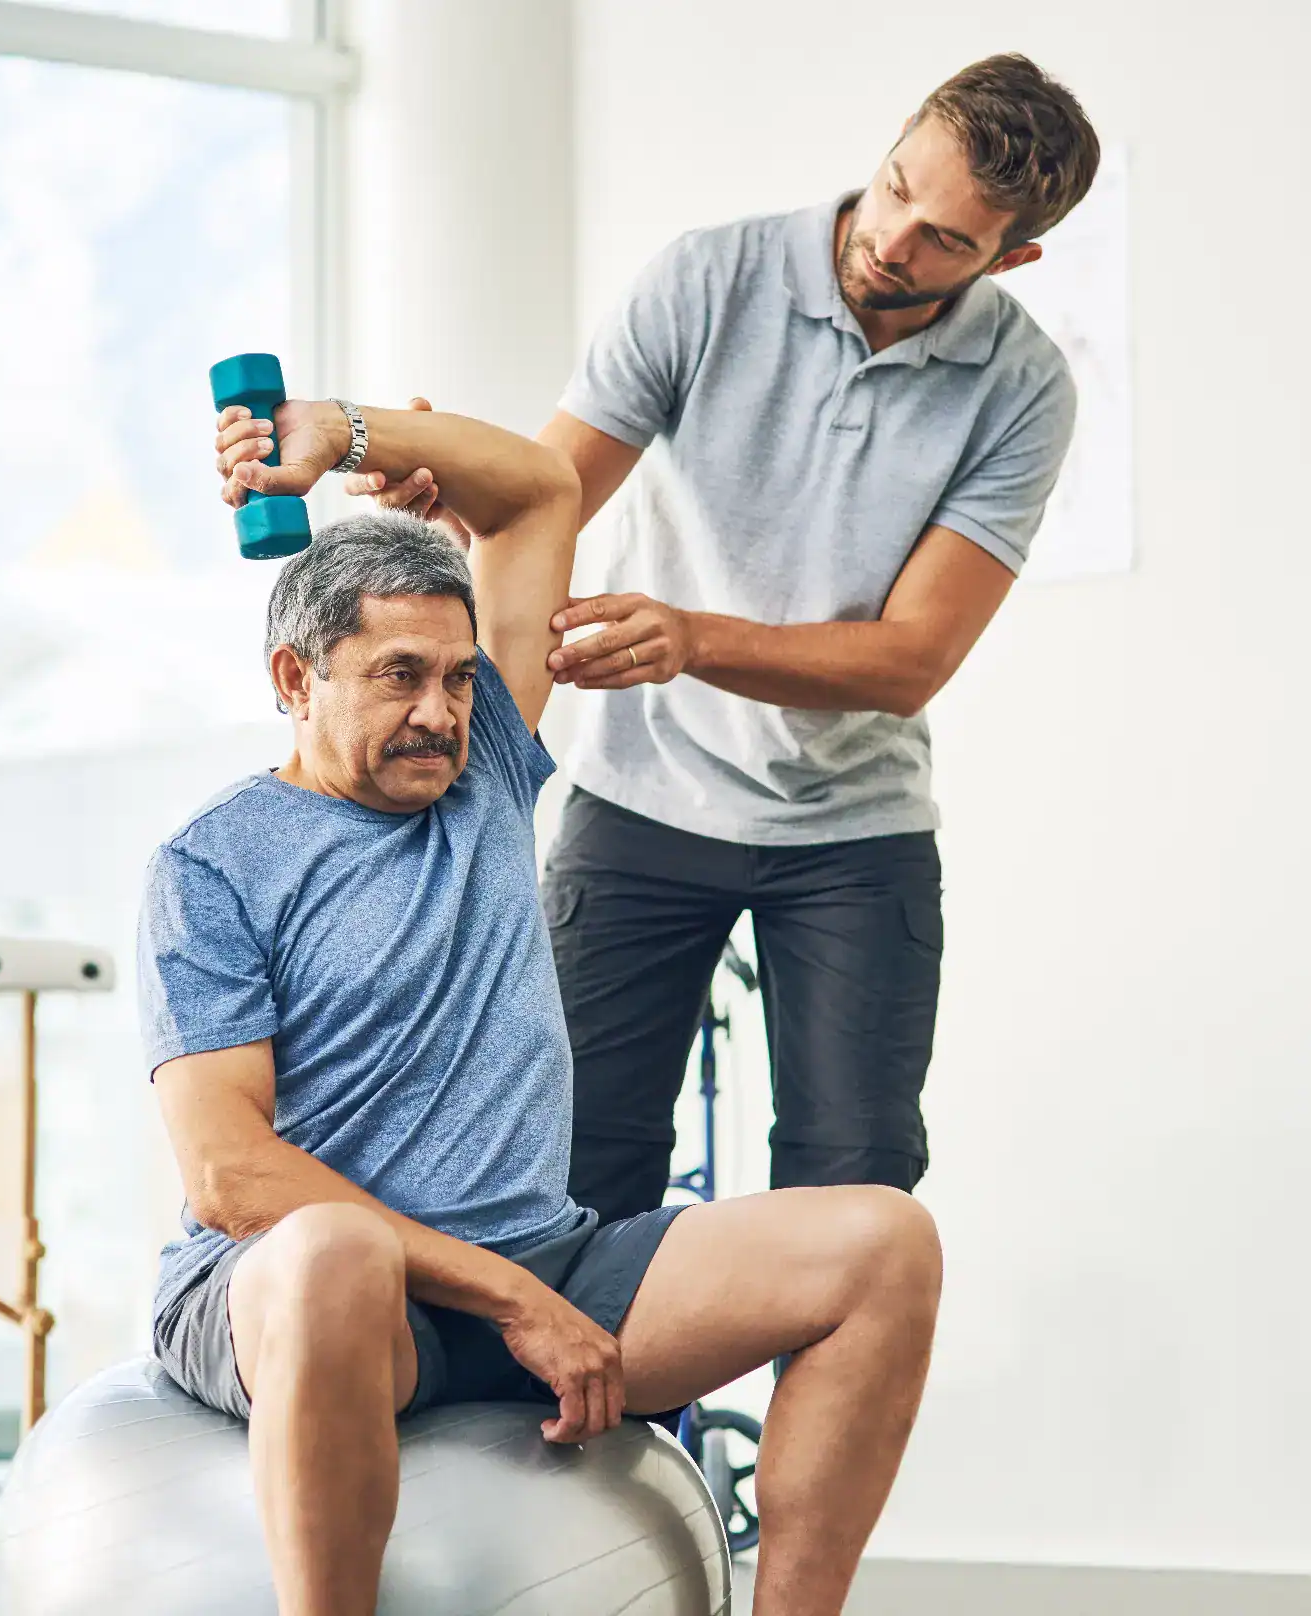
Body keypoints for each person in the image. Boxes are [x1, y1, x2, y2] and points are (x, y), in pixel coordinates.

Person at [136, 395, 942, 1616]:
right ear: (294, 679)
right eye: (398, 675)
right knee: (335, 1251)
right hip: (307, 1288)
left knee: (881, 1240)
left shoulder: (483, 774)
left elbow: (536, 493)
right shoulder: (213, 861)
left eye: (460, 677)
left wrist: (341, 432)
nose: (440, 711)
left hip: (539, 1247)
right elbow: (230, 1176)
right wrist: (512, 1298)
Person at [351, 54, 1101, 1221]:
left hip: (854, 828)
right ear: (895, 138)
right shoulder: (710, 277)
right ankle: (593, 1410)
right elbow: (552, 493)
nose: (894, 237)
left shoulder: (1022, 389)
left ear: (1014, 258)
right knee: (567, 1165)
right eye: (896, 183)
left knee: (853, 1198)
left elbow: (910, 660)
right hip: (642, 793)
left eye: (945, 238)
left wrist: (690, 636)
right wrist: (462, 489)